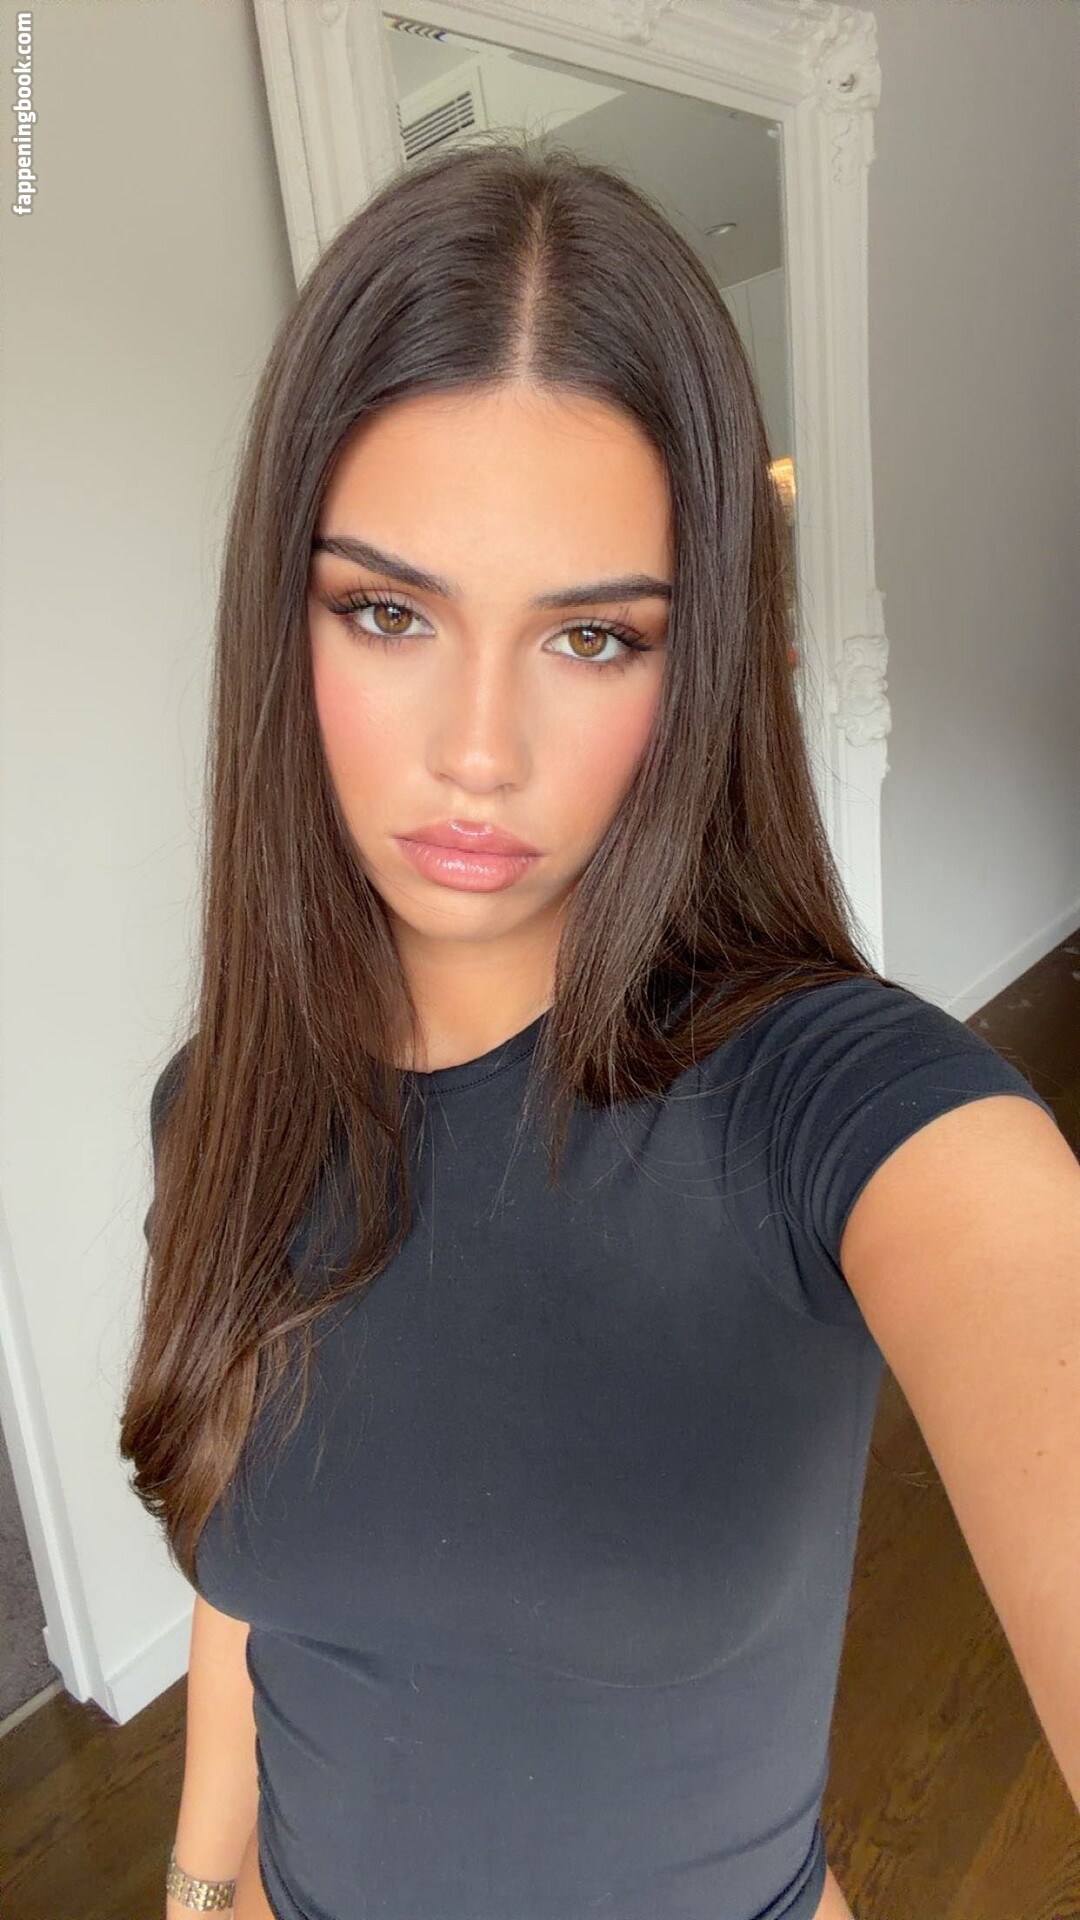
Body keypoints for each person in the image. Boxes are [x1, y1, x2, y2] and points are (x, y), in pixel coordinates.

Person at [120, 140, 1079, 1920]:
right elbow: (257, 1582)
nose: (477, 752)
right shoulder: (221, 1107)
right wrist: (194, 1881)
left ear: (695, 663)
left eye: (591, 640)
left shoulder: (832, 1108)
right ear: (285, 622)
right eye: (388, 612)